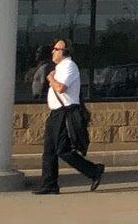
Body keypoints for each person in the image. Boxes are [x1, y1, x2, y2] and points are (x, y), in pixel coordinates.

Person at [33, 37, 105, 194]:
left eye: (56, 49)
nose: (53, 51)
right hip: (55, 113)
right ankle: (49, 184)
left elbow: (61, 88)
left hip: (64, 112)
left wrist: (50, 78)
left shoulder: (69, 66)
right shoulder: (59, 68)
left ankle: (94, 170)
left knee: (62, 149)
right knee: (49, 151)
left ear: (65, 52)